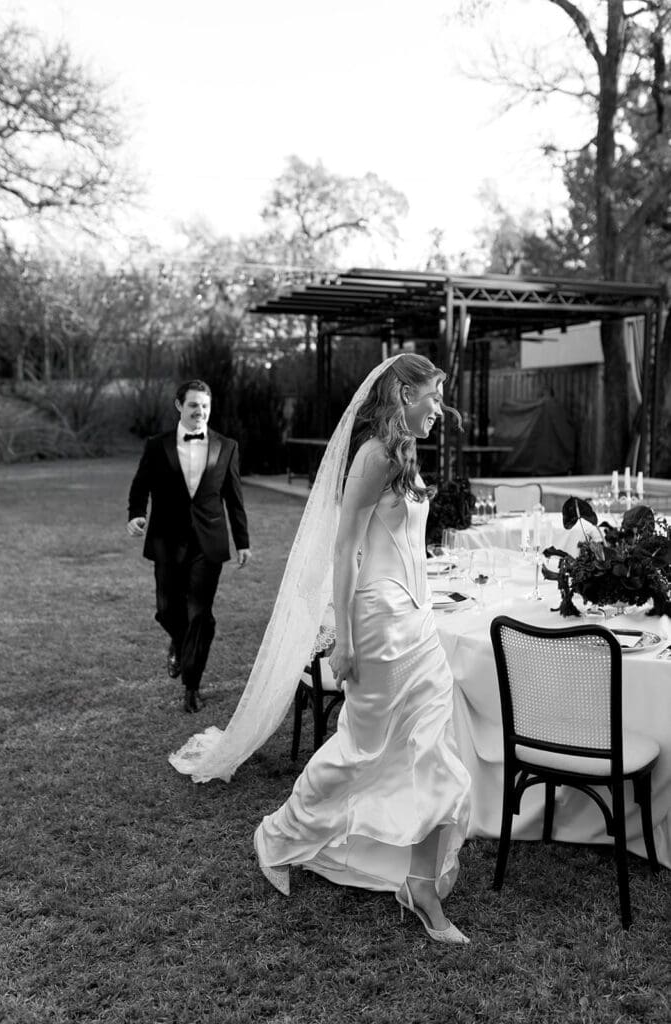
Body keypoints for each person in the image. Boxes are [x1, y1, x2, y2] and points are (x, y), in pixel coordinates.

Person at [168, 354, 470, 943]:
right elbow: (345, 550)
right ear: (403, 393)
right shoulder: (375, 455)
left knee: (435, 753)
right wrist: (347, 642)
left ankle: (422, 888)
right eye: (432, 396)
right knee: (360, 751)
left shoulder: (406, 453)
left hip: (421, 627)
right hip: (379, 627)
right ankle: (278, 836)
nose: (439, 408)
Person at [127, 379, 251, 713]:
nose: (200, 412)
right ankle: (179, 642)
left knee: (200, 615)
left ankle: (192, 685)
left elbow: (234, 498)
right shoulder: (157, 446)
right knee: (167, 610)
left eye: (206, 406)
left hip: (207, 543)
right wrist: (136, 514)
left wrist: (242, 541)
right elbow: (140, 486)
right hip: (166, 541)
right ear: (179, 405)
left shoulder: (227, 446)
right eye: (194, 405)